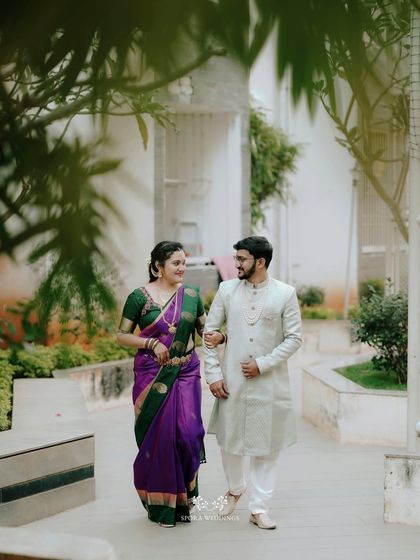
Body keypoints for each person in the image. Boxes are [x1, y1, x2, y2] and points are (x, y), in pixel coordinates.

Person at [203, 236, 303, 530]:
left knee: (267, 448)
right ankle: (236, 488)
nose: (236, 264)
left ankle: (259, 508)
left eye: (241, 259)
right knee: (229, 443)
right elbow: (210, 335)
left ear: (260, 262)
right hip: (231, 382)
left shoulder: (285, 293)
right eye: (236, 258)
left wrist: (263, 363)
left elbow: (294, 338)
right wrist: (214, 375)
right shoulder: (227, 289)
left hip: (268, 383)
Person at [117, 241, 207, 528]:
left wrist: (220, 337)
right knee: (161, 439)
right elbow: (122, 336)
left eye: (184, 263)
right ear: (158, 266)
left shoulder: (192, 296)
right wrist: (150, 342)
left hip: (186, 371)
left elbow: (206, 330)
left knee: (189, 434)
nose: (182, 268)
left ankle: (185, 496)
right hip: (152, 374)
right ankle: (164, 508)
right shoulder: (138, 297)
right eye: (176, 263)